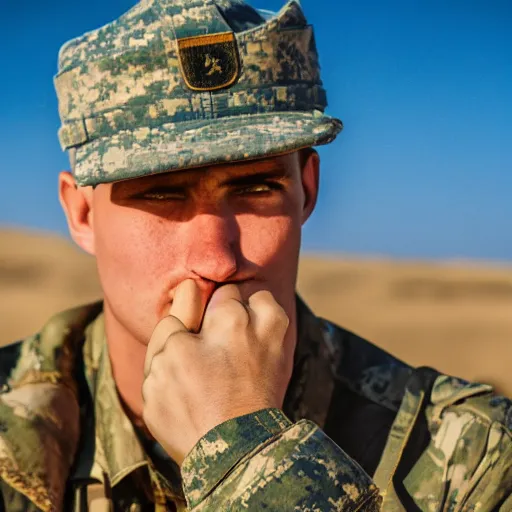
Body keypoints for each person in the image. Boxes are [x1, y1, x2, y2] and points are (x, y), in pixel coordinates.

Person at [0, 0, 511, 510]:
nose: (217, 259)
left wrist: (242, 453)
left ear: (307, 191)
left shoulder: (468, 459)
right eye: (160, 194)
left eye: (256, 188)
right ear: (81, 214)